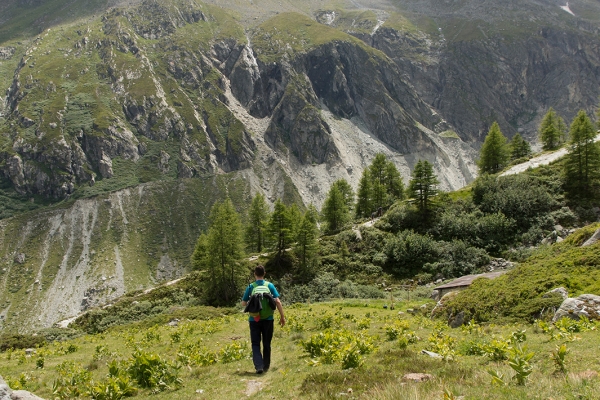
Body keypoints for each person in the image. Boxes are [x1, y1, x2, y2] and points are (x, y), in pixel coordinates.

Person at [241, 265, 285, 374]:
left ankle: (259, 366)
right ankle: (266, 366)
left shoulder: (251, 287)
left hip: (254, 319)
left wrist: (252, 302)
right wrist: (282, 317)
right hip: (268, 319)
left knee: (255, 343)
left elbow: (243, 303)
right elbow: (278, 301)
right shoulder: (269, 285)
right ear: (264, 274)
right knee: (267, 343)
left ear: (255, 274)